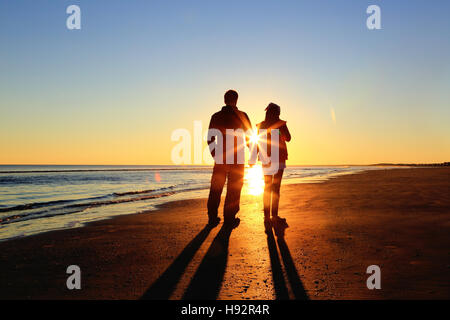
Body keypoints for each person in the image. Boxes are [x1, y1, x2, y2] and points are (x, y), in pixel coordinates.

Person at [206, 90, 252, 228]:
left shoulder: (216, 116)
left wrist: (215, 154)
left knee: (216, 188)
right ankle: (229, 218)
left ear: (224, 100)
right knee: (234, 189)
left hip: (221, 157)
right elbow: (249, 137)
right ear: (236, 100)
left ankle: (212, 218)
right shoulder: (242, 116)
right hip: (237, 158)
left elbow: (210, 138)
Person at [257, 103, 291, 228]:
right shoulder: (281, 124)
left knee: (267, 187)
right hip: (279, 158)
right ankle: (274, 215)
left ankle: (266, 217)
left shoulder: (261, 125)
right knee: (276, 188)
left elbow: (259, 141)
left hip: (266, 158)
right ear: (277, 112)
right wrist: (280, 134)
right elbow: (288, 138)